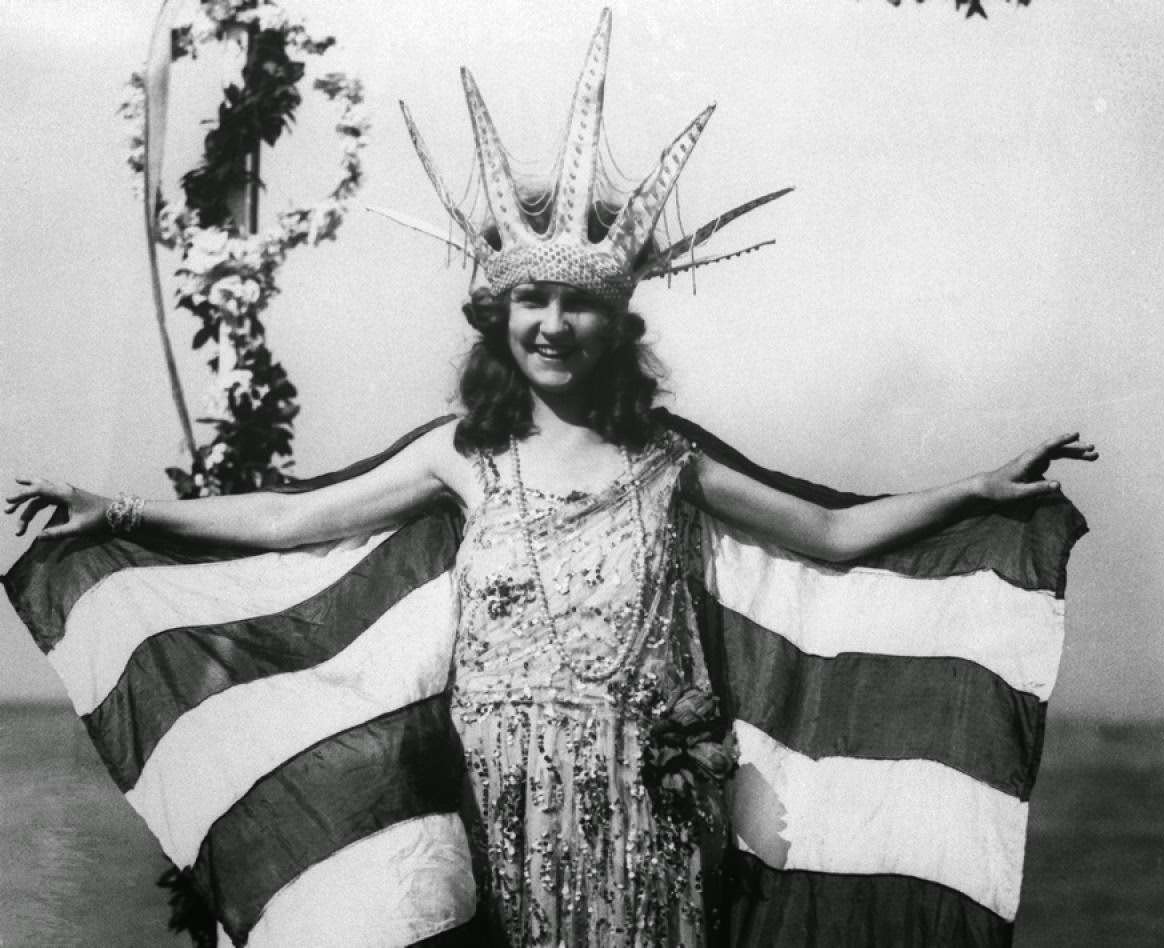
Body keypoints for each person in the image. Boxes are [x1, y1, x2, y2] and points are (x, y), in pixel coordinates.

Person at [4, 10, 1096, 948]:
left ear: (618, 325)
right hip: (499, 776)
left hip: (652, 787)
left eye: (579, 306)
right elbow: (292, 518)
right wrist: (127, 509)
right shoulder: (459, 455)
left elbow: (830, 534)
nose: (554, 323)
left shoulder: (672, 461)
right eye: (532, 303)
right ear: (498, 317)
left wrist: (972, 491)